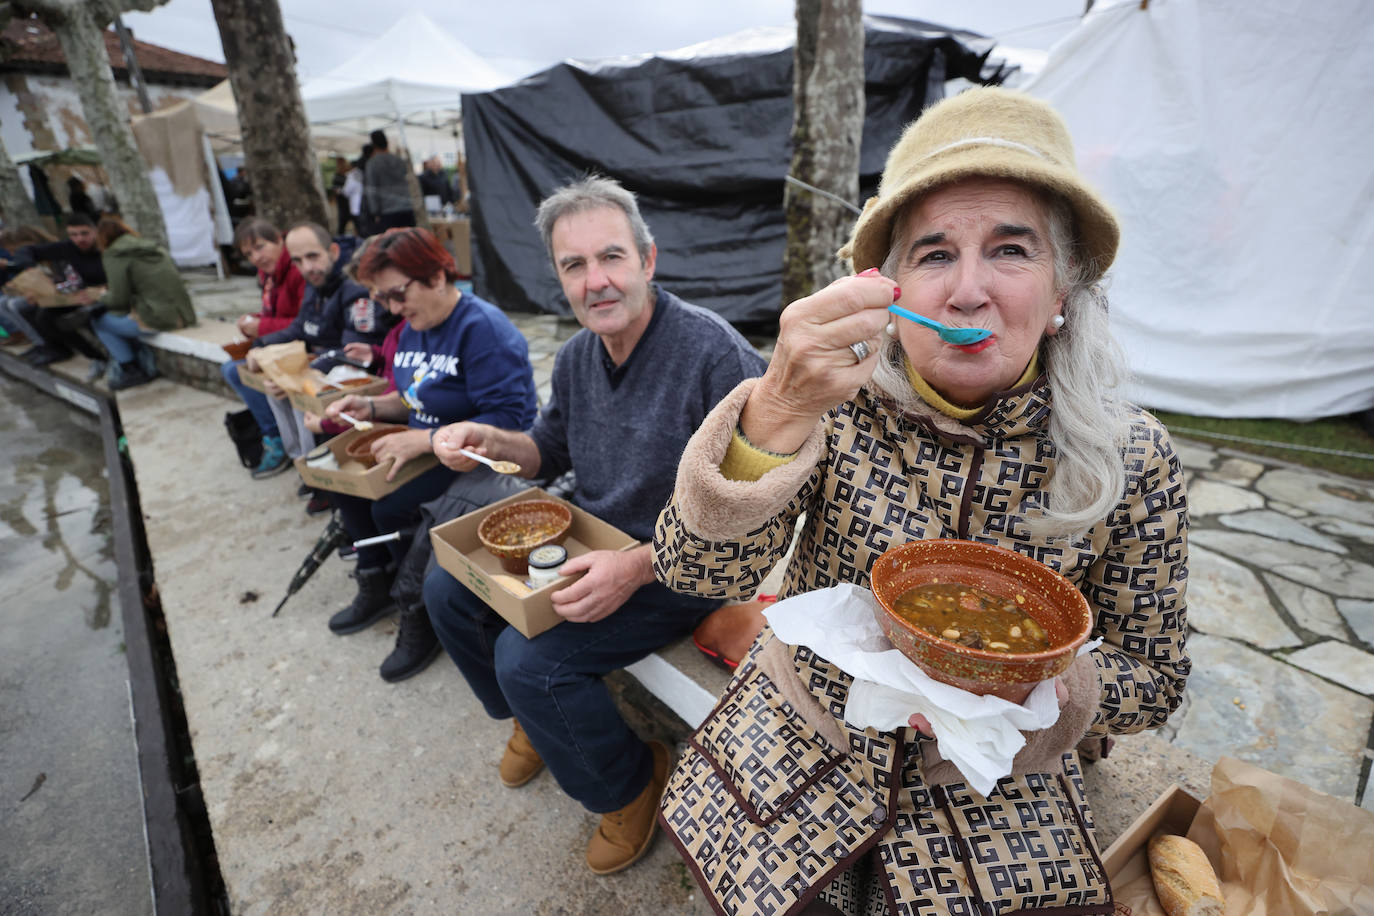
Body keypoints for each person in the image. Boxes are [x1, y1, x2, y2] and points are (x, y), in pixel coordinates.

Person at [651, 87, 1191, 914]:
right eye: (934, 255)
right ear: (889, 291)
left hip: (999, 786)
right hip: (802, 740)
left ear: (1061, 294)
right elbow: (692, 568)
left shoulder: (1135, 457)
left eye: (1011, 251)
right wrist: (778, 412)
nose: (967, 291)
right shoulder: (832, 401)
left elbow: (1155, 678)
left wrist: (1043, 690)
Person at [423, 176, 767, 876]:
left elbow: (752, 510)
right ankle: (534, 726)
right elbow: (547, 449)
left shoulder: (714, 354)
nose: (596, 281)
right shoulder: (580, 354)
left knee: (534, 665)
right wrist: (490, 438)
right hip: (593, 542)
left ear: (648, 259)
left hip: (684, 567)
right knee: (444, 589)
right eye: (574, 265)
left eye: (611, 257)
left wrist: (638, 565)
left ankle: (628, 784)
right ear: (559, 277)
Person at [323, 227, 537, 680]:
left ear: (439, 275)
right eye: (383, 300)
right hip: (435, 449)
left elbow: (511, 426)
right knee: (341, 479)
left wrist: (421, 440)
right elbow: (416, 398)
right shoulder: (411, 329)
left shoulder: (485, 332)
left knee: (392, 507)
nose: (393, 310)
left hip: (480, 463)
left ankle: (416, 611)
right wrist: (371, 406)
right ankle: (377, 579)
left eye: (398, 294)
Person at [243, 222, 391, 471]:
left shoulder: (354, 286)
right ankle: (299, 461)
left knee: (300, 391)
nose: (307, 267)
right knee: (274, 384)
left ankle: (317, 470)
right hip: (328, 360)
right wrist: (261, 347)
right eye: (298, 261)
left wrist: (299, 375)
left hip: (362, 369)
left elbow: (354, 350)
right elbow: (300, 327)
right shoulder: (315, 280)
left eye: (312, 256)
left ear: (332, 251)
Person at [219, 218, 306, 479]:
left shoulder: (297, 270)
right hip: (277, 345)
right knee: (234, 370)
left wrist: (262, 327)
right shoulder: (269, 275)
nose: (256, 257)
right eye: (248, 253)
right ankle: (276, 436)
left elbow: (304, 322)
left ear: (279, 240)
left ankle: (276, 438)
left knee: (239, 372)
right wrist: (253, 320)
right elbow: (277, 313)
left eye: (260, 247)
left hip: (299, 348)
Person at [86, 216, 197, 390]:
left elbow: (118, 300)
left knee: (98, 321)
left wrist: (99, 296)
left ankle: (131, 369)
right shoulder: (151, 247)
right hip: (185, 315)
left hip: (159, 319)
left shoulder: (114, 253)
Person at [4, 213, 110, 368]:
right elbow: (27, 251)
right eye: (74, 235)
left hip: (104, 294)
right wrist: (29, 269)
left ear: (94, 232)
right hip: (79, 294)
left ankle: (104, 357)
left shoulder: (104, 248)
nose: (79, 239)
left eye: (84, 234)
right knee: (44, 315)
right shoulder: (67, 247)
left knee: (81, 316)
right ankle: (94, 356)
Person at [363, 131, 415, 231]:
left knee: (392, 243)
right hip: (407, 207)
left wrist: (375, 212)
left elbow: (371, 189)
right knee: (409, 242)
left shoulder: (372, 163)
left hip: (388, 211)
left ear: (373, 144)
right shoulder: (399, 160)